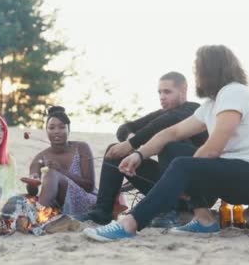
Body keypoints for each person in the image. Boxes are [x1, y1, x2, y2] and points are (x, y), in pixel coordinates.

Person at [84, 45, 249, 241]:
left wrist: (186, 179)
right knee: (175, 149)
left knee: (184, 164)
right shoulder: (211, 105)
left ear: (209, 70)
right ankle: (204, 220)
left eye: (197, 69)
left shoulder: (234, 93)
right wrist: (139, 155)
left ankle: (129, 224)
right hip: (240, 174)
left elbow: (212, 149)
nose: (195, 74)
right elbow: (172, 132)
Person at [79, 72, 208, 226]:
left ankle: (171, 211)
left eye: (167, 92)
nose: (162, 96)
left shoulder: (193, 110)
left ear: (183, 91)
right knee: (114, 151)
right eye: (159, 92)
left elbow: (166, 123)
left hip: (194, 192)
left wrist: (132, 143)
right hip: (163, 187)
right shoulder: (161, 114)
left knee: (169, 145)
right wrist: (128, 143)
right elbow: (126, 127)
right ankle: (102, 211)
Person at [27, 106, 96, 215]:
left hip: (84, 201)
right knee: (19, 200)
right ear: (46, 130)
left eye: (62, 127)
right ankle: (39, 214)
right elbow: (32, 192)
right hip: (58, 205)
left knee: (52, 173)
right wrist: (32, 184)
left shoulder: (81, 148)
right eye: (52, 127)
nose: (57, 131)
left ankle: (37, 215)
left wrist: (61, 171)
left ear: (69, 129)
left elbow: (89, 186)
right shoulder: (40, 157)